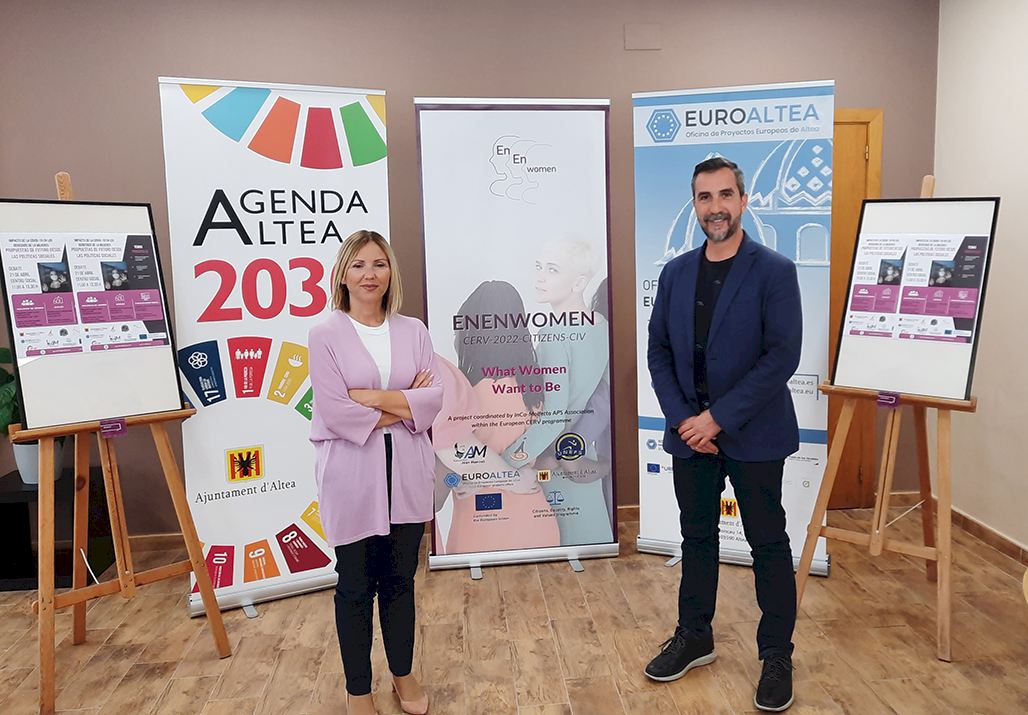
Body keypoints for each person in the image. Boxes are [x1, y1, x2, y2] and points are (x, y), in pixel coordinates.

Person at [646, 157, 803, 712]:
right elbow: (659, 352)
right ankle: (695, 636)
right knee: (696, 539)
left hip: (753, 434)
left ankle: (777, 654)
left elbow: (781, 356)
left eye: (725, 195)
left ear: (743, 200)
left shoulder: (775, 270)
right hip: (690, 435)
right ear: (695, 205)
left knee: (768, 543)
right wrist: (685, 421)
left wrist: (718, 419)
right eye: (705, 197)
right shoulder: (675, 273)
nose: (715, 207)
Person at [309, 230, 442, 715]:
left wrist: (372, 399)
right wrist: (404, 403)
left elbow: (433, 399)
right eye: (359, 265)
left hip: (407, 472)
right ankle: (358, 689)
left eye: (379, 264)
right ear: (343, 274)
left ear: (391, 273)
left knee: (401, 580)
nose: (370, 274)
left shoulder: (414, 330)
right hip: (351, 477)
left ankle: (402, 674)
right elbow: (334, 411)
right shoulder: (325, 334)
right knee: (355, 585)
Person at [432, 280, 559, 554]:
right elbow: (548, 461)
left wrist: (472, 480)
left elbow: (438, 492)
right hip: (536, 519)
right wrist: (523, 475)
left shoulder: (461, 395)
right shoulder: (536, 390)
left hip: (481, 522)